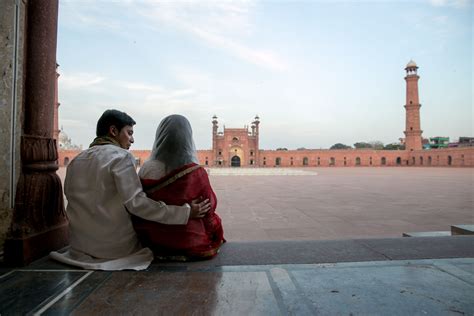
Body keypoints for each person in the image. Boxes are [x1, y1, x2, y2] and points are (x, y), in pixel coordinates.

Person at [50, 109, 210, 270]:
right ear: (113, 131)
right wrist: (184, 212)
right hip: (114, 249)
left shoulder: (76, 161)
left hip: (79, 246)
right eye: (129, 133)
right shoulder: (120, 157)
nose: (132, 140)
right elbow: (137, 204)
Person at [132, 114, 225, 260]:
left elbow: (142, 204)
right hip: (188, 239)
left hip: (152, 237)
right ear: (188, 138)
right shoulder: (195, 172)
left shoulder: (146, 169)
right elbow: (209, 207)